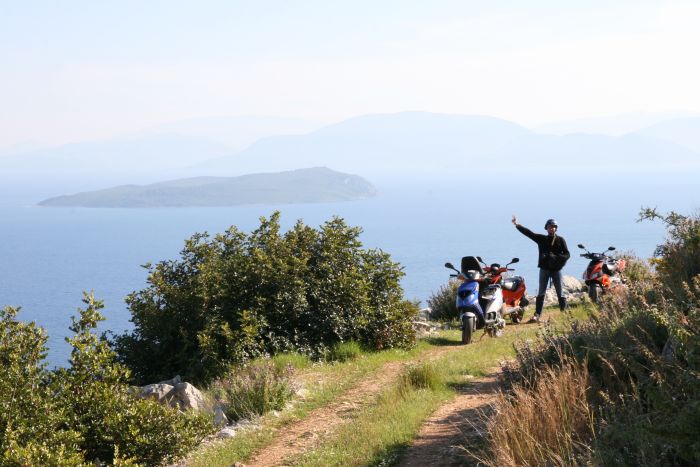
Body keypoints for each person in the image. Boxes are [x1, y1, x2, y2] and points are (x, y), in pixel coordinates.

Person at [511, 215, 570, 322]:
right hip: (544, 269)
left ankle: (564, 313)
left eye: (553, 227)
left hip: (557, 270)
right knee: (541, 293)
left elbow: (567, 254)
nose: (552, 228)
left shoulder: (561, 240)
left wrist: (556, 258)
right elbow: (529, 233)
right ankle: (537, 315)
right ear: (546, 228)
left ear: (556, 228)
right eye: (550, 227)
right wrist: (517, 225)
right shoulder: (542, 239)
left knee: (560, 293)